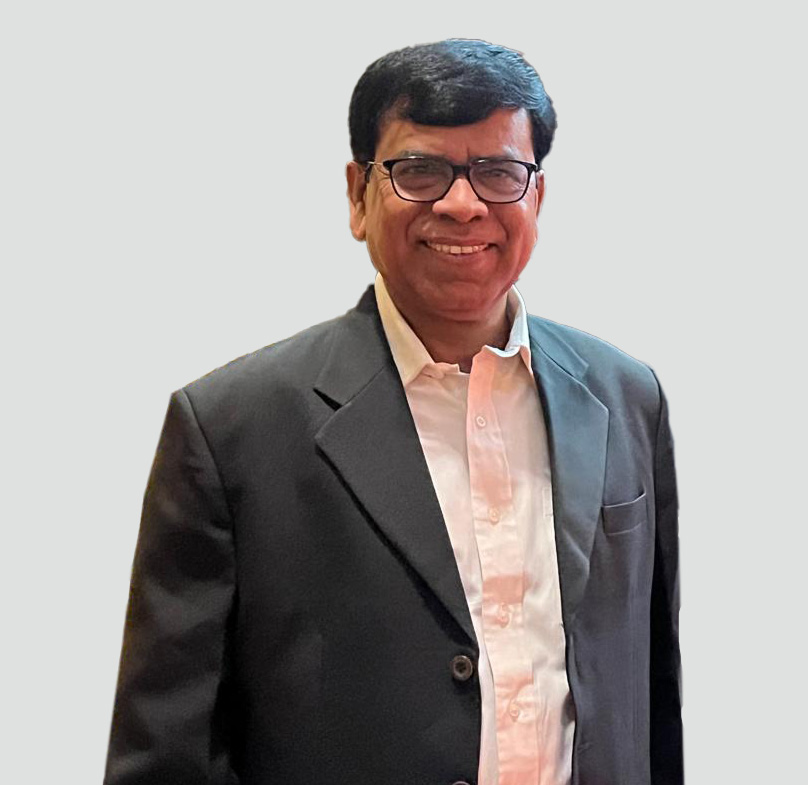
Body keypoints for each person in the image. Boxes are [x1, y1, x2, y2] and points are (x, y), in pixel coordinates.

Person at [104, 39, 683, 785]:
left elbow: (650, 695)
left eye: (499, 172)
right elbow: (166, 752)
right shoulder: (229, 430)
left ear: (537, 197)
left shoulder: (626, 397)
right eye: (420, 170)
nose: (462, 204)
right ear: (358, 195)